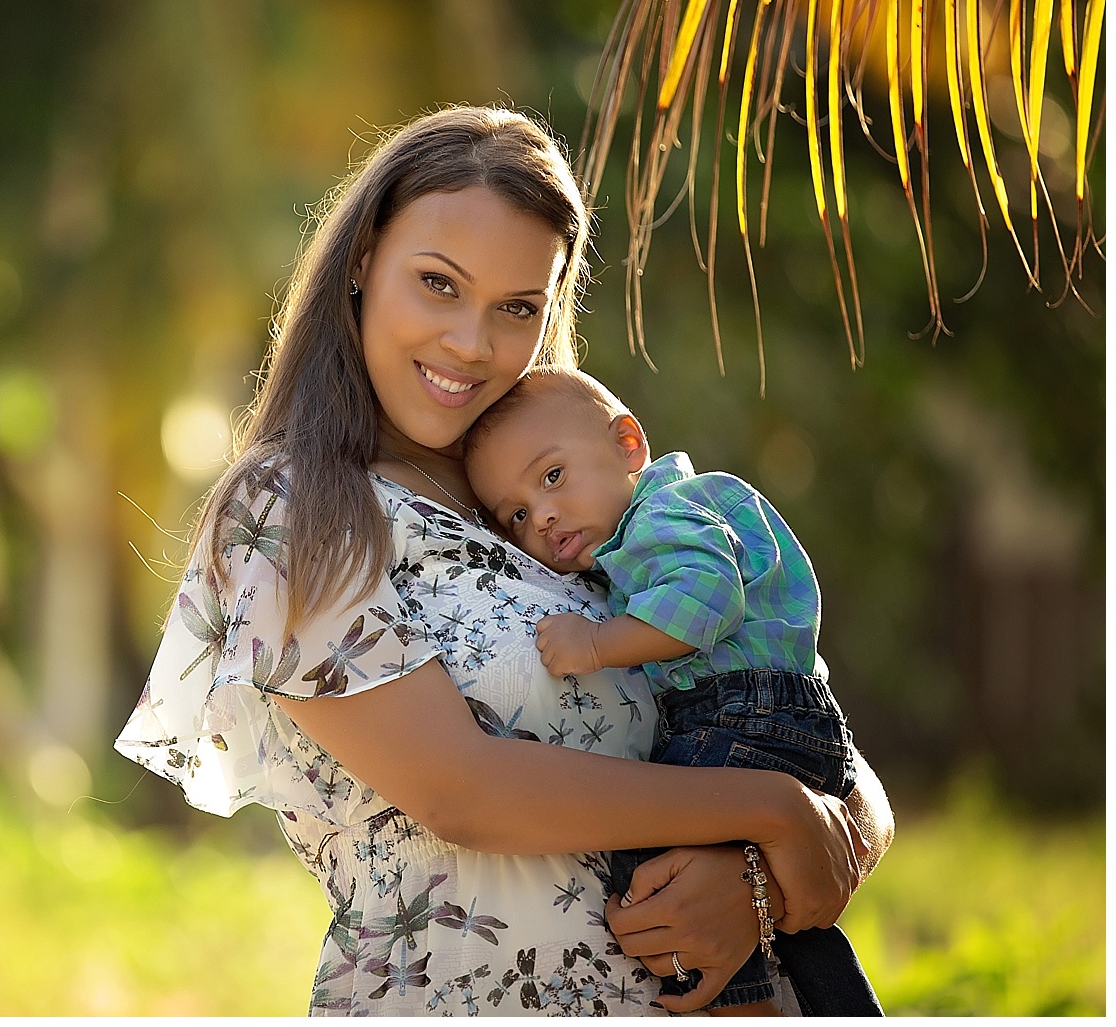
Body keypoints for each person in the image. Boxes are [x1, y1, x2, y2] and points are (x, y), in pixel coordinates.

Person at [115, 106, 892, 1016]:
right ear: (362, 261)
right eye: (438, 284)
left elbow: (822, 745)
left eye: (517, 307)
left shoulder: (556, 505)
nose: (471, 344)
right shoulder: (293, 511)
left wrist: (757, 877)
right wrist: (766, 813)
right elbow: (461, 792)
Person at [461, 366, 881, 1015]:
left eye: (551, 476)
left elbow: (708, 599)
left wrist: (595, 643)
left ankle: (730, 1003)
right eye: (515, 513)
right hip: (767, 714)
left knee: (656, 863)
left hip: (745, 712)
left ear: (627, 443)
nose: (539, 514)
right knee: (785, 914)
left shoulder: (662, 513)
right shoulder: (644, 529)